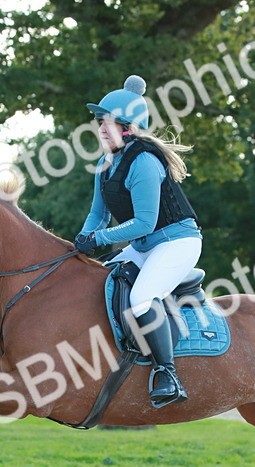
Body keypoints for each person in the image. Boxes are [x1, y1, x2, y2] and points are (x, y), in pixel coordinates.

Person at [74, 75, 203, 409]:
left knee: (142, 300)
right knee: (95, 280)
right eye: (100, 121)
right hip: (146, 246)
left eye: (109, 122)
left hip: (177, 243)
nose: (102, 128)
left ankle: (167, 374)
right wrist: (80, 243)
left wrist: (99, 239)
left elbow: (144, 222)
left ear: (128, 127)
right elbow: (98, 216)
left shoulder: (144, 161)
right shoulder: (106, 164)